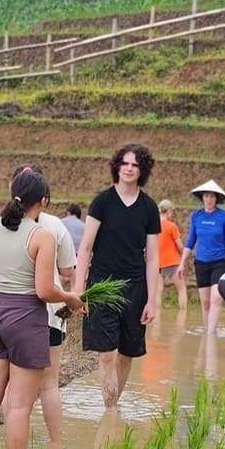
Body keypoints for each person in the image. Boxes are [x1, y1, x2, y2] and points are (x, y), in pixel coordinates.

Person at [0, 168, 83, 449]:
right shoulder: (41, 236)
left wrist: (5, 276)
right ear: (43, 201)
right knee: (18, 407)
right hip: (25, 316)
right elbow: (45, 290)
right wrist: (70, 297)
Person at [73, 143, 161, 410]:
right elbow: (85, 247)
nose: (129, 168)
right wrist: (79, 291)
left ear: (142, 170)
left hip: (135, 287)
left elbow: (153, 257)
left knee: (126, 353)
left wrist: (152, 300)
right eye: (125, 163)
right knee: (106, 353)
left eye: (135, 164)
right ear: (117, 166)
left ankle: (112, 406)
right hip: (102, 284)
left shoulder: (148, 208)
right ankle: (109, 408)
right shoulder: (102, 202)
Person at [176, 179, 225, 335]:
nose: (209, 199)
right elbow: (191, 240)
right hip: (201, 263)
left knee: (216, 298)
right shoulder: (196, 216)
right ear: (202, 198)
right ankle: (208, 331)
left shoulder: (223, 216)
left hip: (220, 262)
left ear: (216, 199)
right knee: (205, 302)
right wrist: (182, 263)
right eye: (206, 196)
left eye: (212, 196)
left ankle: (211, 334)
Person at [154, 198, 188, 312]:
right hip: (172, 262)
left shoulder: (153, 225)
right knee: (181, 289)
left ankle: (156, 318)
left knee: (158, 290)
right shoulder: (171, 226)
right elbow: (179, 246)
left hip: (158, 262)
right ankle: (182, 315)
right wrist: (184, 253)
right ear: (168, 211)